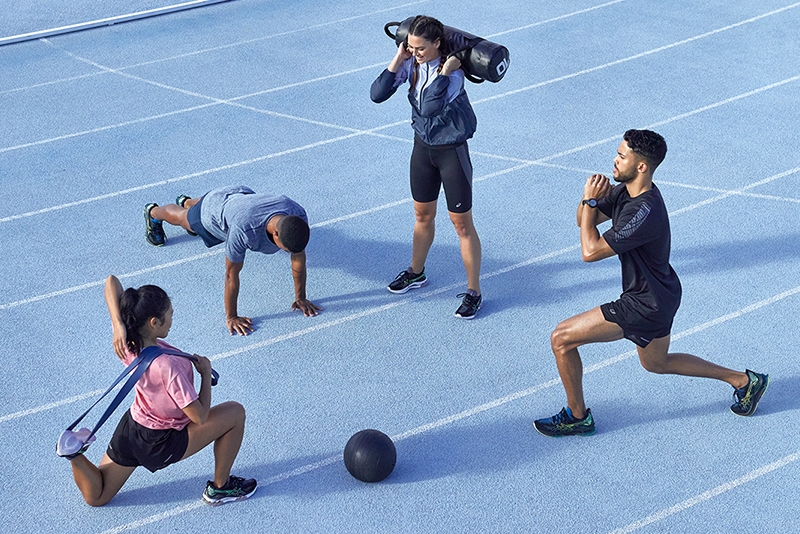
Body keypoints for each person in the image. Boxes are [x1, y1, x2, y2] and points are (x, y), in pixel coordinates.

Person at [534, 129, 769, 437]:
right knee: (656, 362)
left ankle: (577, 416)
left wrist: (591, 201)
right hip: (661, 294)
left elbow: (589, 252)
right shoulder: (625, 191)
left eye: (621, 156)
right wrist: (588, 201)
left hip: (644, 303)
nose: (614, 161)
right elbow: (583, 221)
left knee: (561, 338)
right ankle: (743, 381)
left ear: (641, 166)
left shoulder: (643, 212)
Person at [63, 275, 256, 506]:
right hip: (162, 441)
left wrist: (117, 326)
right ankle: (220, 488)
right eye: (170, 315)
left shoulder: (128, 343)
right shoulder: (168, 367)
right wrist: (205, 374)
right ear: (154, 322)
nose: (172, 320)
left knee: (97, 497)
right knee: (235, 412)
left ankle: (74, 455)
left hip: (132, 429)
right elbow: (200, 416)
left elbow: (111, 282)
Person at [370, 15, 483, 319]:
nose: (415, 53)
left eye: (420, 48)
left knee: (461, 224)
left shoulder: (453, 75)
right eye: (411, 47)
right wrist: (399, 57)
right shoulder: (412, 64)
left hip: (451, 153)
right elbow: (377, 94)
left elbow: (430, 106)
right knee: (422, 215)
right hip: (422, 150)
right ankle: (416, 272)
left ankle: (474, 291)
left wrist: (445, 71)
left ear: (437, 44)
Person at [143, 185, 321, 335]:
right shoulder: (244, 229)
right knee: (184, 219)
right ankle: (153, 212)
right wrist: (232, 317)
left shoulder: (297, 215)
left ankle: (187, 201)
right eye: (286, 249)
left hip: (239, 195)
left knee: (205, 203)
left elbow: (298, 257)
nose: (290, 253)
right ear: (275, 233)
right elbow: (231, 274)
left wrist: (301, 298)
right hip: (214, 212)